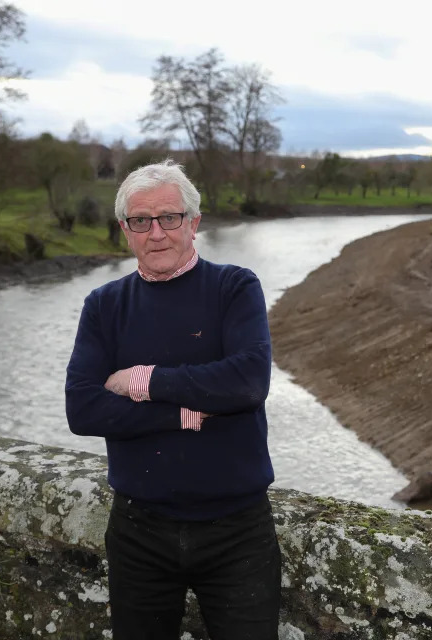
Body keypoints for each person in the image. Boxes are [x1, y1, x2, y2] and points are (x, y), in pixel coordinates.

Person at [65, 159, 280, 639]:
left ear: (194, 223)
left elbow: (247, 383)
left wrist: (144, 380)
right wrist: (186, 412)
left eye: (170, 218)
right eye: (141, 221)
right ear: (125, 230)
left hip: (237, 532)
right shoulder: (104, 305)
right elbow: (82, 409)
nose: (156, 232)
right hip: (139, 531)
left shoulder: (234, 287)